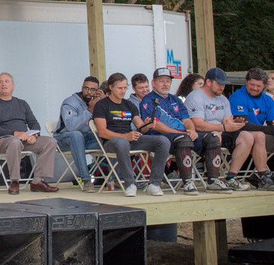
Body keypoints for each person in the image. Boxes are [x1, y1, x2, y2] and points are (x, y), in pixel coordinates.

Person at [139, 66, 226, 194]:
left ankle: (213, 181)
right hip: (161, 138)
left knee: (212, 138)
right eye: (161, 81)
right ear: (153, 83)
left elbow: (187, 120)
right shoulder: (148, 100)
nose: (165, 84)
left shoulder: (176, 99)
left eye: (168, 81)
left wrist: (192, 130)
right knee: (183, 139)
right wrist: (182, 133)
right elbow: (156, 125)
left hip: (183, 134)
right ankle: (188, 182)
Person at [92, 72, 170, 197]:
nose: (123, 91)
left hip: (130, 140)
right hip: (111, 142)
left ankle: (154, 183)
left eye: (125, 88)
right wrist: (125, 136)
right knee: (122, 142)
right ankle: (130, 183)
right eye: (119, 88)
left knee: (163, 141)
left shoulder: (129, 104)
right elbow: (102, 132)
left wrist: (147, 125)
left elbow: (140, 127)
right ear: (111, 87)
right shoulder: (102, 105)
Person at [0, 72, 60, 195]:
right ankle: (14, 181)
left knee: (50, 142)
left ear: (13, 85)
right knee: (14, 141)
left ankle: (37, 181)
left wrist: (34, 135)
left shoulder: (22, 104)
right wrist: (15, 133)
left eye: (6, 81)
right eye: (0, 82)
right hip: (2, 141)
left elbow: (34, 123)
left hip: (24, 140)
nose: (3, 84)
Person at [183, 68, 251, 191]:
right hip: (200, 135)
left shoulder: (223, 99)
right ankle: (213, 179)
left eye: (224, 84)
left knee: (247, 136)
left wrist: (236, 123)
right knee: (214, 136)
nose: (222, 87)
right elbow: (197, 124)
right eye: (219, 84)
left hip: (220, 131)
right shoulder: (196, 97)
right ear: (208, 82)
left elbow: (226, 120)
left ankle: (231, 177)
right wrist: (223, 127)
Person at [228, 67, 274, 191]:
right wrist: (270, 130)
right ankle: (260, 175)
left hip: (260, 135)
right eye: (251, 84)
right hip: (237, 135)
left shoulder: (267, 99)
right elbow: (242, 124)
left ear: (264, 86)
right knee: (258, 134)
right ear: (246, 82)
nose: (254, 88)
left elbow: (272, 124)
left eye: (258, 86)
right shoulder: (237, 97)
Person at [53, 75, 103, 192]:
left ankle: (115, 177)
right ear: (82, 87)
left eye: (93, 90)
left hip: (87, 139)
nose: (89, 92)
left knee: (110, 136)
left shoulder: (97, 102)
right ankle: (86, 180)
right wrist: (90, 111)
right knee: (76, 135)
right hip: (65, 140)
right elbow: (71, 127)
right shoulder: (70, 102)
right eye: (86, 88)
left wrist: (104, 102)